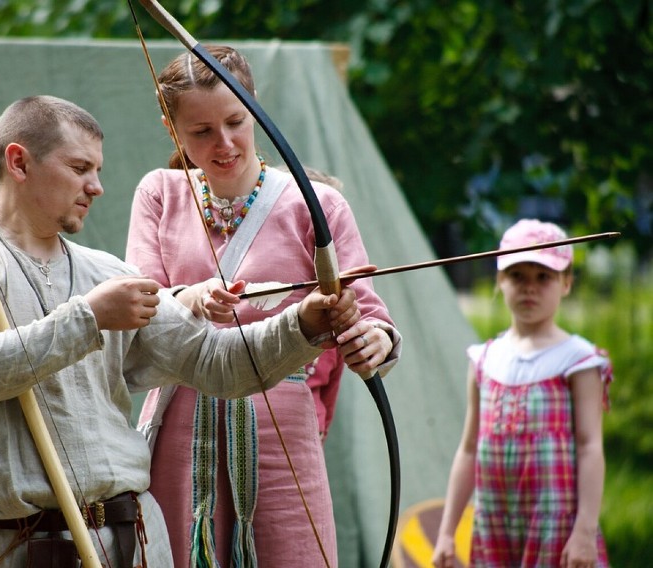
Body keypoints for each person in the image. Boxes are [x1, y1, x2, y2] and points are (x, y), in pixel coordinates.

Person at [0, 95, 364, 568]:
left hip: (130, 539)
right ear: (19, 162)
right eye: (80, 167)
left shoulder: (107, 274)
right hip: (9, 545)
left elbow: (218, 363)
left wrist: (302, 323)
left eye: (97, 170)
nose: (97, 186)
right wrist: (90, 318)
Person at [125, 45, 402, 568]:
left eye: (236, 120)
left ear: (256, 109)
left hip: (282, 423)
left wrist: (374, 339)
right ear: (171, 127)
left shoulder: (315, 203)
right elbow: (142, 306)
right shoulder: (160, 193)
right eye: (201, 131)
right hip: (181, 416)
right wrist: (189, 297)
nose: (224, 143)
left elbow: (366, 313)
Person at [431, 219, 612, 568]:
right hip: (495, 525)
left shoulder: (578, 359)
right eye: (517, 276)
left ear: (567, 283)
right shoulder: (483, 358)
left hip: (555, 529)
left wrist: (585, 532)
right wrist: (447, 532)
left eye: (543, 277)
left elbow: (591, 446)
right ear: (500, 280)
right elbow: (469, 448)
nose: (529, 287)